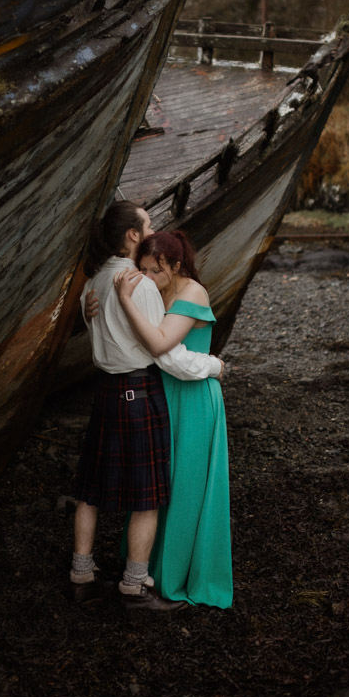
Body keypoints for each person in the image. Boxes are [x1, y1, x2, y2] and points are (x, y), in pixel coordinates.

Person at [70, 201, 223, 612]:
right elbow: (165, 353)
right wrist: (213, 365)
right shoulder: (139, 285)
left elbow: (93, 320)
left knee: (89, 491)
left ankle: (81, 575)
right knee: (146, 496)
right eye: (148, 225)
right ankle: (134, 586)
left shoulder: (93, 282)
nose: (153, 230)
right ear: (133, 235)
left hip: (104, 391)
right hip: (138, 391)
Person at [114, 229, 232, 609]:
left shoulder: (192, 293)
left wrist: (211, 367)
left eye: (157, 270)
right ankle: (144, 568)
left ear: (177, 266)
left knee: (185, 486)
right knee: (157, 485)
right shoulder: (154, 291)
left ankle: (177, 575)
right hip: (163, 394)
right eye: (144, 270)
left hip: (193, 398)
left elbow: (160, 348)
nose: (149, 278)